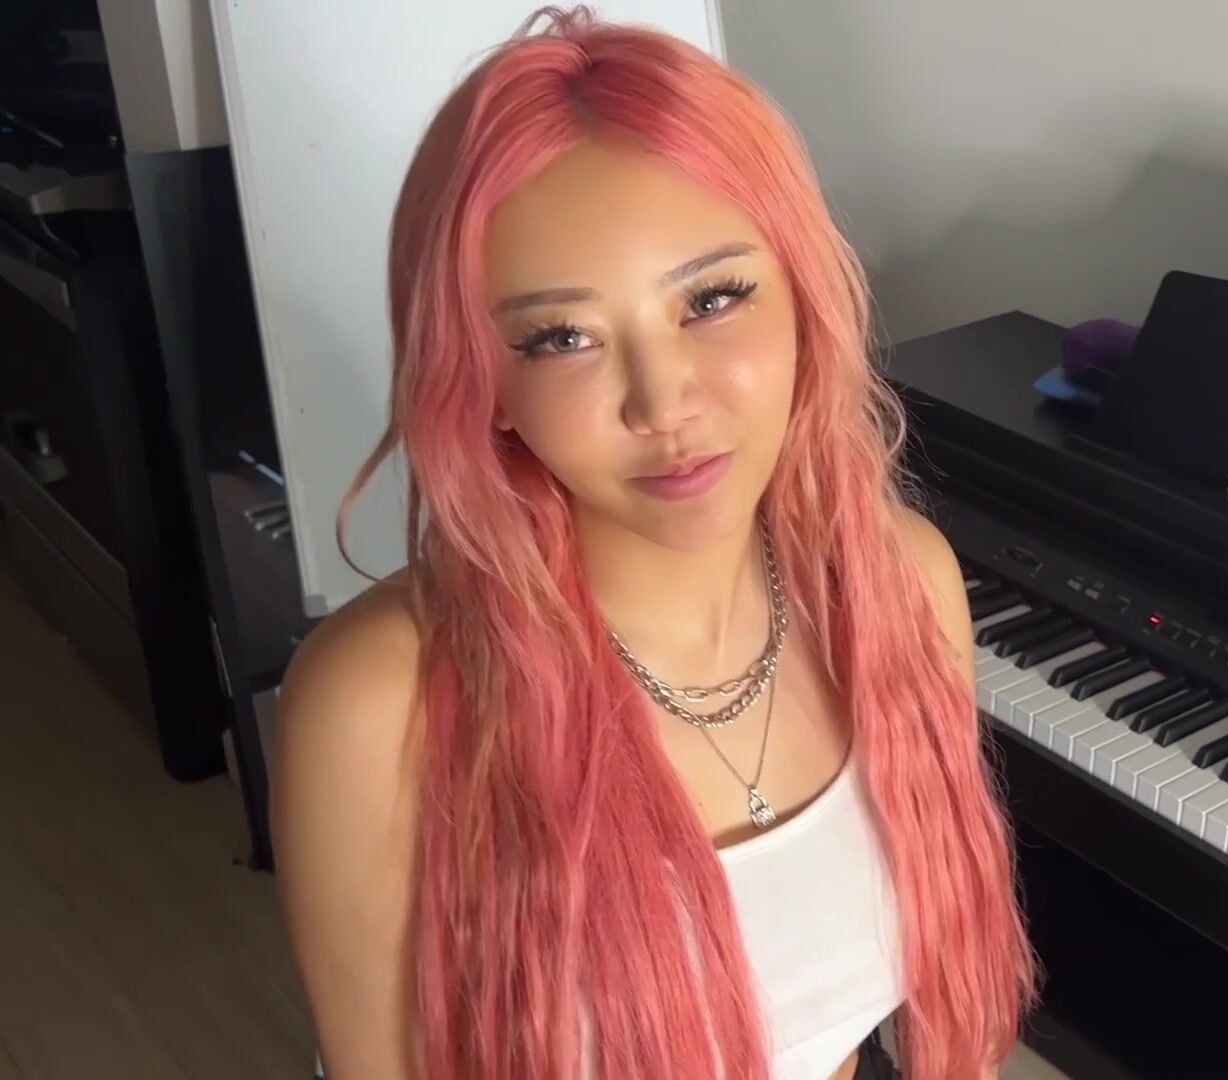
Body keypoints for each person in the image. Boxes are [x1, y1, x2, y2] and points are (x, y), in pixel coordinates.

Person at [269, 7, 1038, 1078]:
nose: (663, 402)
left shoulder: (904, 582)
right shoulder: (377, 705)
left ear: (804, 297)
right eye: (563, 338)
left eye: (712, 298)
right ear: (484, 385)